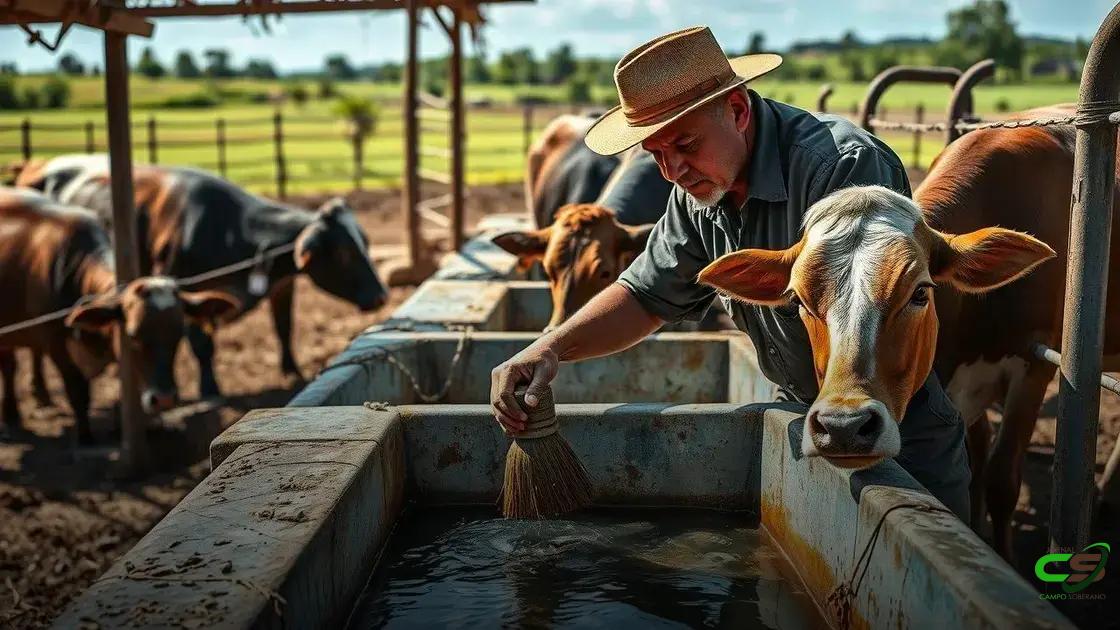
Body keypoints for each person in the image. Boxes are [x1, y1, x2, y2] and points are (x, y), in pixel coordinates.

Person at [489, 26, 970, 522]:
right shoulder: (699, 194)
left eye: (686, 144)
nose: (673, 171)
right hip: (809, 418)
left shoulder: (840, 167)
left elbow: (862, 311)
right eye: (656, 155)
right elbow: (646, 296)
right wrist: (549, 348)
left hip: (895, 428)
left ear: (738, 111)